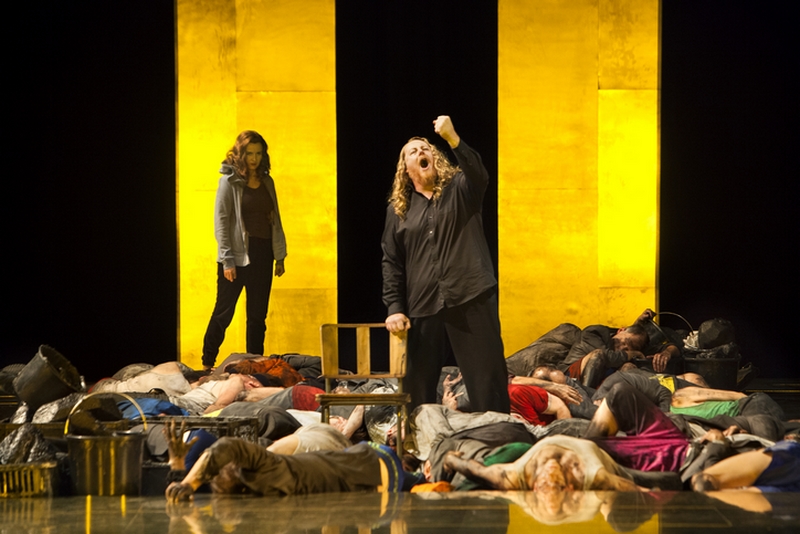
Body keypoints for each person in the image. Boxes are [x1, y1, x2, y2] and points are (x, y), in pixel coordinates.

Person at [381, 115, 509, 414]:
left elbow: (479, 174)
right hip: (423, 304)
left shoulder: (460, 188)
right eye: (413, 152)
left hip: (470, 294)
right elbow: (392, 261)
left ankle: (497, 433)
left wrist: (453, 138)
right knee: (416, 385)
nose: (421, 152)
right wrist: (394, 307)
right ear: (406, 168)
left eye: (425, 148)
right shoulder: (398, 211)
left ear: (435, 157)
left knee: (487, 378)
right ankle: (416, 437)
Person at [201, 131, 287, 370]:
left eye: (258, 153)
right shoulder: (228, 182)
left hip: (263, 254)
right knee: (223, 313)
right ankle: (207, 362)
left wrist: (279, 256)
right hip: (236, 257)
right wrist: (227, 260)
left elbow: (275, 220)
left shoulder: (267, 182)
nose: (254, 159)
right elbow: (221, 222)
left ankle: (254, 364)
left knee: (258, 316)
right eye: (249, 153)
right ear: (240, 153)